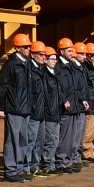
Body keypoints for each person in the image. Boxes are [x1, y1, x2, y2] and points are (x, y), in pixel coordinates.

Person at [0, 32, 39, 182]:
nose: (28, 49)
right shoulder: (11, 65)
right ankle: (10, 170)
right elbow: (1, 87)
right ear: (18, 48)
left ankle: (19, 169)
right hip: (14, 109)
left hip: (25, 109)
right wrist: (1, 108)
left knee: (22, 140)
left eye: (28, 46)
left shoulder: (26, 64)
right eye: (26, 47)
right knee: (12, 140)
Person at [54, 39, 86, 174]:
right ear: (61, 51)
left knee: (74, 137)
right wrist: (63, 100)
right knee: (65, 137)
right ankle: (62, 161)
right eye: (69, 50)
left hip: (75, 106)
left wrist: (82, 99)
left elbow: (77, 87)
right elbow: (58, 87)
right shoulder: (58, 67)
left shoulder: (72, 66)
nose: (72, 53)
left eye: (72, 50)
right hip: (66, 108)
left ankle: (70, 159)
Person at [30, 43, 60, 176]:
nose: (54, 61)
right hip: (44, 112)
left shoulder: (50, 73)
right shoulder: (42, 74)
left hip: (50, 111)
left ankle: (48, 164)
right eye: (51, 58)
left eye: (55, 59)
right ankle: (42, 164)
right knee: (41, 141)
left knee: (49, 140)